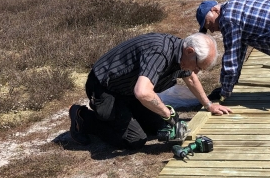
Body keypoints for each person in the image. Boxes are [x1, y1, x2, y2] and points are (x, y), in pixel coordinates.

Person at [69, 32, 231, 148]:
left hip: (129, 89)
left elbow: (190, 78)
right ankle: (84, 118)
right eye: (198, 66)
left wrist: (209, 105)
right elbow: (143, 92)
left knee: (159, 127)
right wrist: (168, 114)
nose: (196, 71)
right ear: (190, 51)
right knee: (134, 140)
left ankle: (128, 114)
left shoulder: (182, 55)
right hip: (104, 87)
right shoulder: (160, 52)